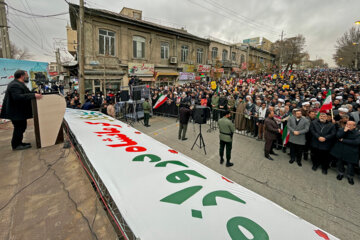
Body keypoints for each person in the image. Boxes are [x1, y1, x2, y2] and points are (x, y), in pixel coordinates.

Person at [0, 70, 42, 150]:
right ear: (22, 76)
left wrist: (34, 93)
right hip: (16, 112)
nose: (28, 77)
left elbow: (25, 93)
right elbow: (18, 97)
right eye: (26, 75)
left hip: (18, 112)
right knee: (19, 127)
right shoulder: (15, 85)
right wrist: (33, 95)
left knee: (21, 127)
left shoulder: (18, 84)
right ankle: (16, 145)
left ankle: (19, 142)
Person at [331, 120, 360, 185]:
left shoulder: (357, 133)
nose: (347, 125)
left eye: (350, 125)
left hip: (351, 152)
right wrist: (344, 131)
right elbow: (338, 136)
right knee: (340, 162)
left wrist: (343, 140)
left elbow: (356, 142)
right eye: (347, 124)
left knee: (350, 166)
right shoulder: (342, 129)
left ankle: (350, 176)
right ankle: (341, 173)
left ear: (354, 126)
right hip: (341, 150)